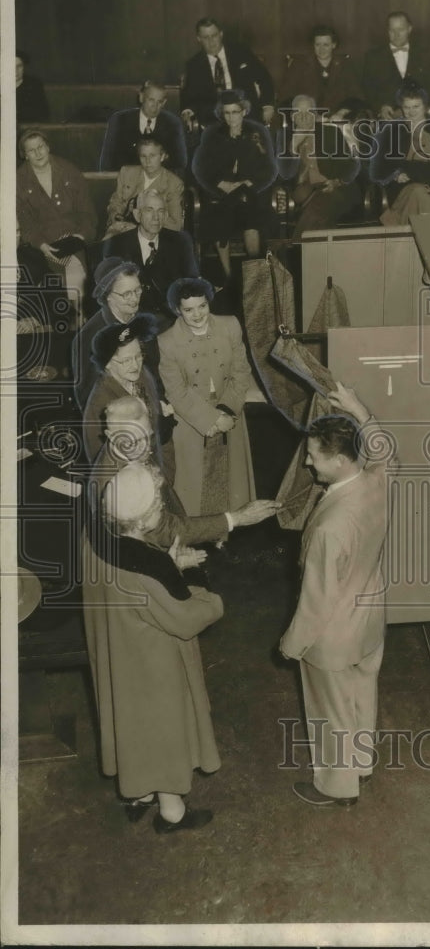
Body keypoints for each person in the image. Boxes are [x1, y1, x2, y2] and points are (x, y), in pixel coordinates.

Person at [83, 463, 221, 832]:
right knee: (162, 729)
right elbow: (185, 617)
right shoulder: (148, 565)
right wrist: (197, 584)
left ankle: (138, 793)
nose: (162, 510)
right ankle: (171, 812)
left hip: (118, 652)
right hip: (153, 661)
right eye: (158, 505)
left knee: (132, 725)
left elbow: (132, 594)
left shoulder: (93, 538)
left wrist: (169, 565)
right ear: (143, 519)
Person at [280, 383, 396, 807]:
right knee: (362, 692)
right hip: (369, 619)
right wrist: (357, 407)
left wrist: (291, 645)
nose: (307, 460)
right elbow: (385, 449)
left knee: (329, 712)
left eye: (314, 456)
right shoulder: (375, 482)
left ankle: (335, 787)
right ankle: (362, 764)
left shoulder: (331, 527)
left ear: (342, 459)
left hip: (332, 634)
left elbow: (316, 599)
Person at [90, 395, 281, 550]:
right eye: (134, 441)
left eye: (147, 437)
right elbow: (164, 530)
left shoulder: (128, 448)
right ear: (110, 436)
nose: (145, 449)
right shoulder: (115, 483)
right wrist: (237, 518)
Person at [157, 278, 256, 527]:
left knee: (228, 475)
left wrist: (226, 411)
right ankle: (199, 530)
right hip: (191, 418)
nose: (197, 314)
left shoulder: (230, 325)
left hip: (229, 410)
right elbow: (176, 390)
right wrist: (210, 419)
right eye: (188, 310)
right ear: (178, 310)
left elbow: (241, 372)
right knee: (196, 481)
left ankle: (230, 525)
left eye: (202, 306)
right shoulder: (166, 341)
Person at [191, 89, 278, 285]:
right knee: (218, 218)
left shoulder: (258, 131)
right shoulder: (212, 133)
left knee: (251, 218)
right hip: (221, 193)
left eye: (235, 112)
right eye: (227, 113)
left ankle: (255, 272)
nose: (231, 117)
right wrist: (220, 184)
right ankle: (227, 274)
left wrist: (250, 183)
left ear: (244, 111)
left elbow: (270, 168)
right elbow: (199, 167)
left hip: (250, 192)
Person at [16, 129, 96, 321]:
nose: (38, 153)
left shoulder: (69, 170)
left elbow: (87, 213)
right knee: (56, 279)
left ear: (48, 146)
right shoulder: (18, 180)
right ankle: (70, 319)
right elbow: (24, 223)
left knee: (75, 269)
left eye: (41, 147)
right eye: (31, 150)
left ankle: (79, 317)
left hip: (73, 239)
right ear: (25, 155)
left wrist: (80, 237)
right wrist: (42, 245)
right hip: (41, 244)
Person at [82, 315, 174, 482]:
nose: (135, 365)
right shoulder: (101, 404)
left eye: (138, 356)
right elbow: (104, 467)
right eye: (125, 361)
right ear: (107, 364)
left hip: (159, 473)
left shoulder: (142, 375)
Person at [370, 83, 430, 226]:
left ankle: (397, 229)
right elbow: (377, 170)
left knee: (422, 195)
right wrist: (395, 174)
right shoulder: (391, 131)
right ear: (401, 108)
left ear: (425, 107)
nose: (411, 112)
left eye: (416, 107)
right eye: (407, 107)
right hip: (404, 189)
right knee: (420, 194)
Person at [72, 257, 154, 411]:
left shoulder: (142, 320)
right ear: (108, 295)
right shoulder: (89, 337)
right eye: (126, 294)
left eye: (137, 290)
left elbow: (154, 369)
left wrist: (159, 400)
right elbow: (88, 398)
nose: (135, 299)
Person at [104, 188, 199, 319]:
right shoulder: (116, 245)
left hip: (172, 319)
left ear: (166, 216)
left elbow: (193, 282)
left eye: (161, 211)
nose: (156, 217)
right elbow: (107, 294)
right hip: (131, 320)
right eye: (149, 210)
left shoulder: (181, 241)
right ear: (137, 215)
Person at [278, 95, 361, 241]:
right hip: (304, 193)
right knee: (322, 220)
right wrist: (293, 146)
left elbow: (352, 165)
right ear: (292, 116)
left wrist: (337, 182)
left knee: (317, 209)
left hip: (336, 188)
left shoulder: (330, 132)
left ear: (315, 114)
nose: (304, 117)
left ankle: (296, 251)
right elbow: (284, 175)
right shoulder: (283, 137)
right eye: (299, 112)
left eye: (309, 112)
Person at [180, 16, 275, 131]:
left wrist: (267, 105)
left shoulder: (241, 52)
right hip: (213, 120)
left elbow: (265, 79)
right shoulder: (194, 65)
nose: (211, 41)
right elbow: (187, 96)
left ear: (221, 34)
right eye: (206, 37)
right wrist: (187, 112)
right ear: (199, 39)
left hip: (246, 114)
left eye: (214, 35)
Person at [362, 11, 430, 119]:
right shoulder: (373, 57)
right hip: (388, 117)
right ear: (387, 31)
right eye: (392, 30)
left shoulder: (425, 54)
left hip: (421, 114)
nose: (397, 35)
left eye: (401, 30)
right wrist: (381, 107)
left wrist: (424, 108)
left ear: (409, 29)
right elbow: (368, 89)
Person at [278, 24, 364, 120]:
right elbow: (285, 97)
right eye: (317, 45)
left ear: (334, 45)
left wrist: (341, 113)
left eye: (326, 45)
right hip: (306, 120)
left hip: (337, 119)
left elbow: (356, 96)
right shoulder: (299, 65)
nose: (321, 49)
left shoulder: (345, 65)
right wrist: (308, 114)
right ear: (313, 45)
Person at [99, 80, 188, 173]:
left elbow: (180, 164)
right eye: (151, 100)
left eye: (160, 102)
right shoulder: (120, 120)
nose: (155, 106)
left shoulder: (173, 124)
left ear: (164, 102)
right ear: (141, 97)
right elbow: (107, 164)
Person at [103, 137, 184, 238]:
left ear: (162, 156)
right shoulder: (126, 172)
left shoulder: (174, 184)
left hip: (153, 234)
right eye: (143, 156)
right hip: (121, 228)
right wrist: (116, 217)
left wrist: (140, 225)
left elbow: (175, 224)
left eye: (152, 156)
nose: (147, 161)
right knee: (107, 245)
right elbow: (116, 202)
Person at [16, 51, 49, 122]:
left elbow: (43, 113)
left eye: (19, 66)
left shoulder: (34, 85)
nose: (15, 71)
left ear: (24, 67)